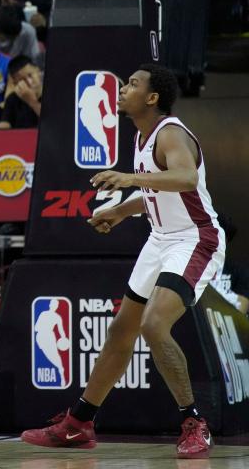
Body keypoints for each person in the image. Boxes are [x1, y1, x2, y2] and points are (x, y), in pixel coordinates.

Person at [22, 64, 225, 460]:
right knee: (120, 331)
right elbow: (159, 194)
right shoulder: (142, 134)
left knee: (153, 324)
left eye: (132, 84)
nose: (121, 89)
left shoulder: (170, 132)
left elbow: (184, 178)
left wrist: (130, 181)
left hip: (195, 239)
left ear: (152, 97)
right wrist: (123, 211)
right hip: (160, 238)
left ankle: (193, 422)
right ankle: (79, 424)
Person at [0, 55, 42, 130]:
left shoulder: (54, 93)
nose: (29, 82)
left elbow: (54, 122)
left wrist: (32, 102)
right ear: (15, 83)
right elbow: (4, 124)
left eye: (30, 75)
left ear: (38, 71)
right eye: (22, 80)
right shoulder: (13, 99)